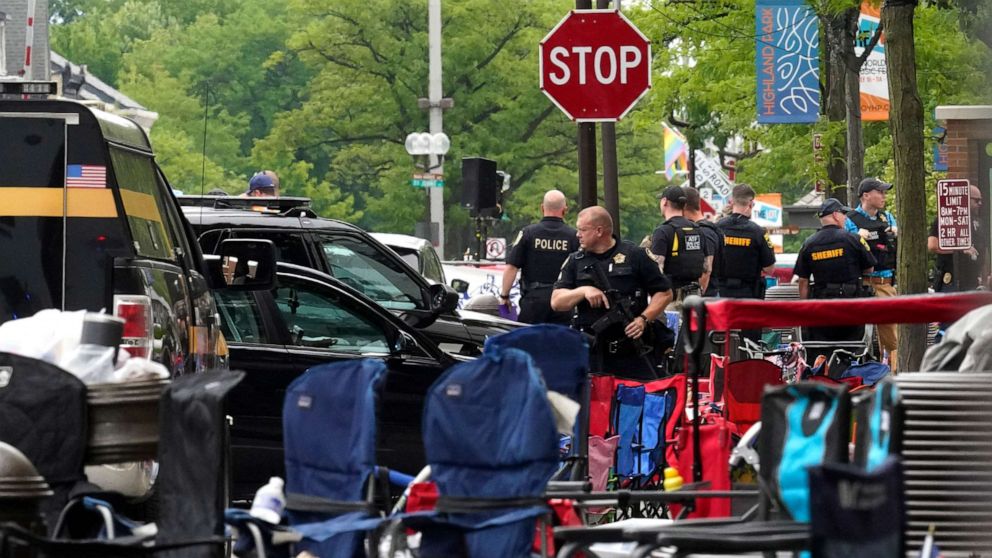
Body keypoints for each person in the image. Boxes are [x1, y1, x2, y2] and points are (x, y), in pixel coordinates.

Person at [552, 206, 673, 380]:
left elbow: (664, 293)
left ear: (599, 231)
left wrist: (643, 319)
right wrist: (583, 290)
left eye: (582, 230)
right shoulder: (575, 261)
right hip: (592, 352)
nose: (577, 234)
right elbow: (556, 302)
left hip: (631, 351)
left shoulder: (635, 256)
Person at [795, 198, 876, 342]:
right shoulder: (853, 239)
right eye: (843, 213)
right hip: (851, 306)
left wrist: (805, 309)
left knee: (823, 350)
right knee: (853, 350)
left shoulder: (808, 244)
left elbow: (803, 281)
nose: (845, 217)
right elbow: (869, 268)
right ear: (835, 215)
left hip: (821, 308)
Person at [501, 189, 578, 324]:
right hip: (563, 301)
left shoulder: (528, 233)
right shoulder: (574, 236)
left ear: (542, 208)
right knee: (561, 342)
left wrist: (504, 296)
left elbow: (511, 267)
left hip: (533, 301)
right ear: (565, 209)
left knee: (529, 342)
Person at [844, 177, 898, 366]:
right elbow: (845, 253)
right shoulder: (850, 220)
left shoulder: (888, 218)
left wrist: (896, 234)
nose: (884, 196)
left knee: (891, 338)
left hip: (885, 283)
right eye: (880, 192)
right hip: (862, 283)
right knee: (859, 335)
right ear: (866, 195)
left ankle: (892, 376)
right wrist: (855, 238)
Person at [649, 186, 710, 302]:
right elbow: (707, 267)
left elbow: (656, 270)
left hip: (671, 297)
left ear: (664, 202)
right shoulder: (698, 229)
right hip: (694, 296)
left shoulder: (663, 231)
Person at [715, 184, 776, 299]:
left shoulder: (716, 228)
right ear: (751, 203)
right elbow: (770, 269)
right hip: (748, 294)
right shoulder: (759, 232)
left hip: (720, 293)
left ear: (731, 202)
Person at [928, 184, 987, 292]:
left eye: (980, 200)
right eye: (976, 200)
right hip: (950, 279)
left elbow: (984, 251)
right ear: (965, 199)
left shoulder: (978, 222)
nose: (980, 203)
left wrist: (984, 277)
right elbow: (932, 245)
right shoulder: (945, 218)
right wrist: (960, 248)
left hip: (972, 281)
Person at [682, 186, 723, 297]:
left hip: (706, 297)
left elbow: (706, 270)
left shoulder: (704, 232)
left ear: (684, 206)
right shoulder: (706, 229)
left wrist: (696, 297)